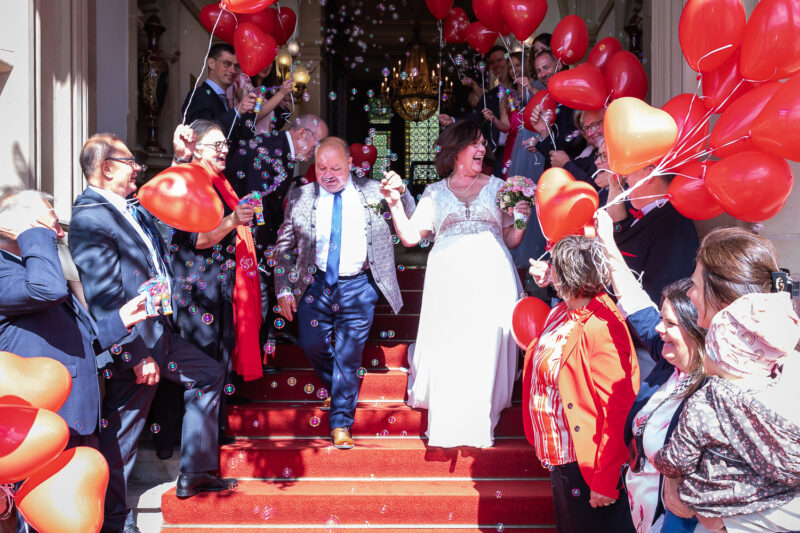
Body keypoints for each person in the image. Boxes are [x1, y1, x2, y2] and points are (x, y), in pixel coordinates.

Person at [68, 133, 235, 533]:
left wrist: (179, 158)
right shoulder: (90, 217)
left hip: (158, 332)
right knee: (122, 436)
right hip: (134, 343)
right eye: (130, 163)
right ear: (107, 168)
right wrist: (135, 354)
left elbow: (165, 203)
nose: (138, 169)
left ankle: (195, 472)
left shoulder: (126, 206)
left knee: (209, 374)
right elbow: (104, 297)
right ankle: (114, 521)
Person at [0, 188, 151, 533]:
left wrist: (120, 321)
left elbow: (80, 341)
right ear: (22, 226)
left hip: (75, 415)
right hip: (38, 424)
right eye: (51, 224)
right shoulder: (10, 270)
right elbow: (47, 290)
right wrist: (33, 232)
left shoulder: (34, 266)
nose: (59, 233)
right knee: (41, 517)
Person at [383, 120, 528, 448]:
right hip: (449, 277)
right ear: (456, 150)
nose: (482, 149)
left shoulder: (499, 187)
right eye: (475, 143)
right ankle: (451, 411)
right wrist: (394, 203)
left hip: (492, 275)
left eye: (483, 144)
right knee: (452, 341)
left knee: (486, 342)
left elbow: (511, 239)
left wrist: (522, 218)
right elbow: (410, 237)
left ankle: (481, 411)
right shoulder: (435, 192)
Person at [273, 137, 415, 449]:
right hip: (315, 284)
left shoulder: (374, 191)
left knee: (349, 357)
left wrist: (402, 192)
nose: (328, 174)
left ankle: (340, 423)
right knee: (312, 344)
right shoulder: (301, 196)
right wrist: (283, 288)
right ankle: (340, 389)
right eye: (321, 168)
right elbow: (283, 248)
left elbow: (410, 217)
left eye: (336, 168)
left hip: (359, 286)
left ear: (350, 164)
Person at [655, 226, 800, 533]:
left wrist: (729, 520)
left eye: (695, 285)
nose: (690, 294)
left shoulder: (784, 377)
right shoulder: (776, 365)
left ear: (721, 299)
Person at [147, 121, 263, 459]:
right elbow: (196, 240)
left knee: (217, 360)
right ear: (196, 149)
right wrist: (233, 221)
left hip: (219, 284)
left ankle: (209, 437)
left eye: (225, 144)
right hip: (195, 290)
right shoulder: (191, 181)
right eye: (216, 145)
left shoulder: (219, 183)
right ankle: (179, 443)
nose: (224, 150)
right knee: (198, 364)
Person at [595, 209, 708, 532]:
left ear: (694, 329)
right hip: (640, 508)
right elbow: (635, 303)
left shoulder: (712, 387)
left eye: (669, 323)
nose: (658, 329)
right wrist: (607, 241)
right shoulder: (668, 361)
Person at [526, 235, 639, 533]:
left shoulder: (602, 326)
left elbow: (617, 410)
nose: (548, 269)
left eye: (554, 266)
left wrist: (605, 480)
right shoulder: (563, 310)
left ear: (569, 276)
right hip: (562, 458)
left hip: (587, 464)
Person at [225, 114, 328, 258]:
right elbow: (257, 206)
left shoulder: (283, 148)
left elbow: (274, 203)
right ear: (302, 133)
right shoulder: (268, 151)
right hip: (236, 237)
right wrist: (268, 250)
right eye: (318, 142)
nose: (318, 149)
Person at [613, 165, 699, 304]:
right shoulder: (637, 210)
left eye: (630, 168)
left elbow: (660, 293)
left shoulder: (673, 225)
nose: (624, 176)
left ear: (650, 174)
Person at [439, 46, 513, 175]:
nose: (496, 65)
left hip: (521, 147)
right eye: (492, 63)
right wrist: (452, 119)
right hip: (500, 151)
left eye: (500, 60)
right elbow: (475, 116)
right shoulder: (491, 95)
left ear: (508, 62)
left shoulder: (522, 89)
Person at [180, 43, 257, 144]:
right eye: (227, 64)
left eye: (236, 66)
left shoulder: (224, 100)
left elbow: (242, 140)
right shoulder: (199, 94)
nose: (233, 70)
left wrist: (248, 110)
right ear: (211, 63)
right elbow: (201, 135)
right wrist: (237, 110)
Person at [226, 63, 293, 135]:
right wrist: (281, 94)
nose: (266, 65)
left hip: (263, 140)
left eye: (269, 60)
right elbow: (252, 116)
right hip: (247, 139)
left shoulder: (266, 92)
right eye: (263, 59)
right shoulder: (243, 79)